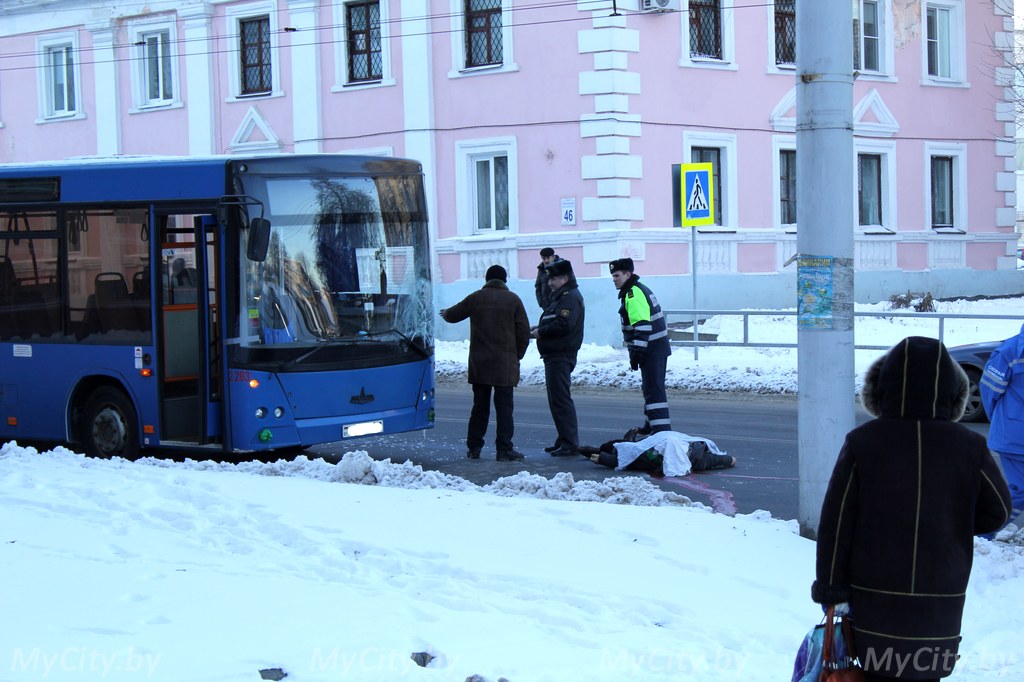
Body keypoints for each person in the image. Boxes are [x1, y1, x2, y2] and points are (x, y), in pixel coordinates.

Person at [812, 337, 1012, 682]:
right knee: (925, 673)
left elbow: (836, 520)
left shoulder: (864, 442)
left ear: (882, 388)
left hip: (875, 597)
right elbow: (998, 512)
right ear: (953, 393)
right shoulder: (969, 446)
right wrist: (954, 520)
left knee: (877, 672)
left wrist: (831, 587)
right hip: (941, 598)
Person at [440, 264, 530, 462]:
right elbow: (523, 331)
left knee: (479, 408)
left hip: (481, 365)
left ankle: (474, 448)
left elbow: (453, 315)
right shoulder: (514, 300)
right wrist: (517, 355)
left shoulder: (476, 298)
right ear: (504, 280)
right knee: (505, 409)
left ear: (487, 280)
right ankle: (504, 449)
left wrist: (445, 313)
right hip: (505, 366)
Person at [609, 258, 671, 435]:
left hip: (651, 350)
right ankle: (651, 424)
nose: (614, 279)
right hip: (655, 348)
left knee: (654, 390)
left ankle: (661, 431)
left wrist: (637, 352)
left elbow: (643, 326)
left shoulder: (633, 294)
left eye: (617, 275)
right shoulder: (637, 289)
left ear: (628, 274)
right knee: (650, 388)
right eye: (612, 276)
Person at [530, 258, 584, 456]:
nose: (550, 283)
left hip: (561, 354)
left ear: (564, 278)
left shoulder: (569, 297)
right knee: (556, 399)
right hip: (555, 354)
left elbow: (564, 324)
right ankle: (563, 438)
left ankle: (570, 442)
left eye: (552, 279)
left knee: (561, 400)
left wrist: (541, 333)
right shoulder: (561, 296)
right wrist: (539, 328)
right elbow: (555, 319)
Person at [981, 322, 1024, 523]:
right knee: (1019, 491)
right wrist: (1002, 422)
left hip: (1012, 431)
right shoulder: (1010, 351)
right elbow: (989, 392)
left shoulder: (1010, 351)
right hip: (1015, 438)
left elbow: (990, 393)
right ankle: (985, 534)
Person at [582, 429, 734, 477]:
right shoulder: (698, 456)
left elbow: (628, 460)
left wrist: (603, 459)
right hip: (660, 445)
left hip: (638, 449)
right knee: (622, 446)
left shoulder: (699, 460)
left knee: (622, 448)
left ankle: (601, 449)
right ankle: (604, 448)